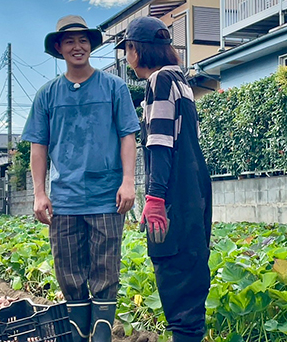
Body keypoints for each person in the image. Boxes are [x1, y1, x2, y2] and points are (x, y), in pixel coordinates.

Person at [22, 15, 140, 342]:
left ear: (91, 45)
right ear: (59, 48)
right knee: (70, 277)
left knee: (105, 275)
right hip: (65, 200)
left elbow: (128, 136)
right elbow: (38, 146)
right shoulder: (47, 95)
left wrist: (128, 181)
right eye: (70, 41)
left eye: (84, 40)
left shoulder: (113, 87)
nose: (78, 46)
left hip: (106, 198)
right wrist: (39, 193)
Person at [115, 16, 212, 342]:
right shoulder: (183, 82)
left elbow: (159, 144)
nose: (127, 56)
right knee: (192, 270)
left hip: (174, 195)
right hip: (195, 190)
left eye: (127, 48)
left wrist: (155, 198)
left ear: (135, 50)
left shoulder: (159, 82)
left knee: (175, 276)